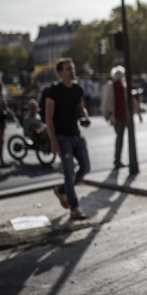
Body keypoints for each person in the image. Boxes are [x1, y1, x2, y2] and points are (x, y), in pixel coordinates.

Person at [46, 58, 91, 219]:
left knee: (85, 167)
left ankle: (62, 190)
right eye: (68, 69)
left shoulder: (77, 89)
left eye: (72, 68)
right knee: (69, 173)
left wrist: (85, 117)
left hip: (76, 135)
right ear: (60, 73)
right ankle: (75, 207)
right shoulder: (54, 91)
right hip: (62, 137)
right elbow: (49, 117)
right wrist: (53, 141)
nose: (72, 71)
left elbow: (81, 108)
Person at [101, 66, 142, 168]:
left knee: (119, 137)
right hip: (123, 116)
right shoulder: (124, 86)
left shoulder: (110, 86)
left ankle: (117, 159)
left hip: (114, 116)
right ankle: (118, 159)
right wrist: (139, 114)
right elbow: (133, 101)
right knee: (122, 138)